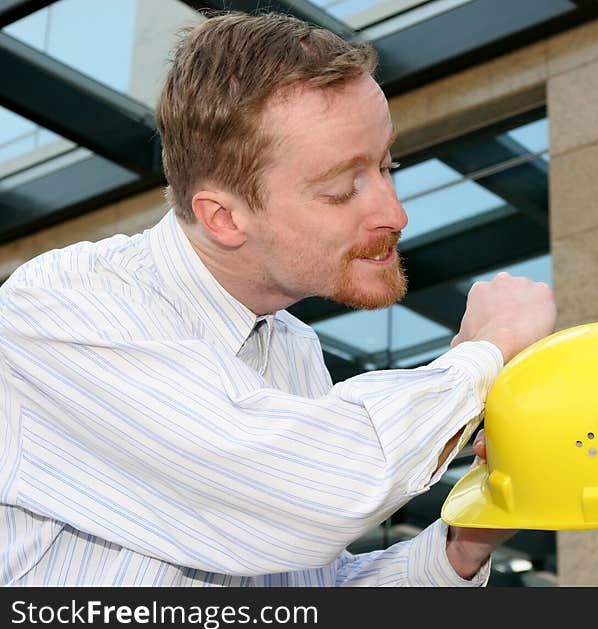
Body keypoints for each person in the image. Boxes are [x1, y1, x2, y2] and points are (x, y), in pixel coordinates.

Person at [0, 11, 556, 586]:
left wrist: (461, 547)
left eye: (388, 165)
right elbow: (316, 490)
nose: (395, 214)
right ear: (222, 217)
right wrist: (483, 355)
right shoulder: (65, 307)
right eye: (341, 190)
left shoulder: (293, 348)